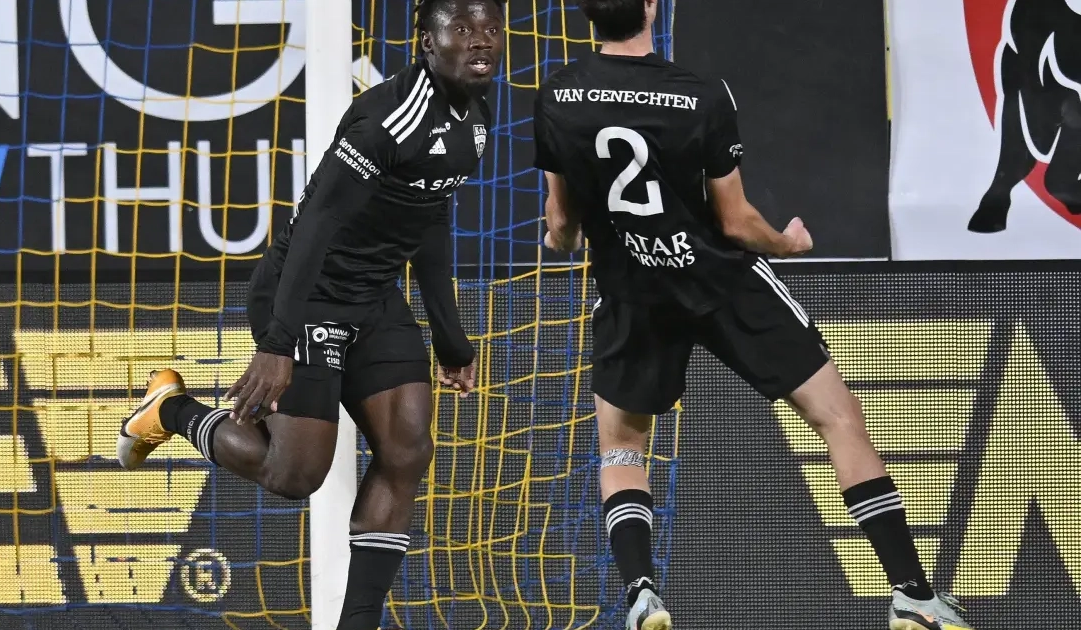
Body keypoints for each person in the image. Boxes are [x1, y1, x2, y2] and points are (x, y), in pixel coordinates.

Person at [532, 1, 974, 629]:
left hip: (632, 290)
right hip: (720, 283)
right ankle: (912, 594)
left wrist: (565, 238)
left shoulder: (558, 95)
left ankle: (642, 593)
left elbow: (561, 224)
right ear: (651, 6)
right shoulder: (702, 95)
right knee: (838, 418)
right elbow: (737, 222)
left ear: (586, 12)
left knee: (623, 446)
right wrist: (786, 244)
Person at [116, 1, 505, 627]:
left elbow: (430, 215)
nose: (480, 41)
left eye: (490, 30)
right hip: (306, 294)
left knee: (407, 449)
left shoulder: (476, 114)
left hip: (374, 297)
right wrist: (278, 341)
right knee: (294, 476)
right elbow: (315, 226)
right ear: (426, 43)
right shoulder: (385, 120)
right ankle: (171, 410)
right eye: (461, 30)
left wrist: (450, 337)